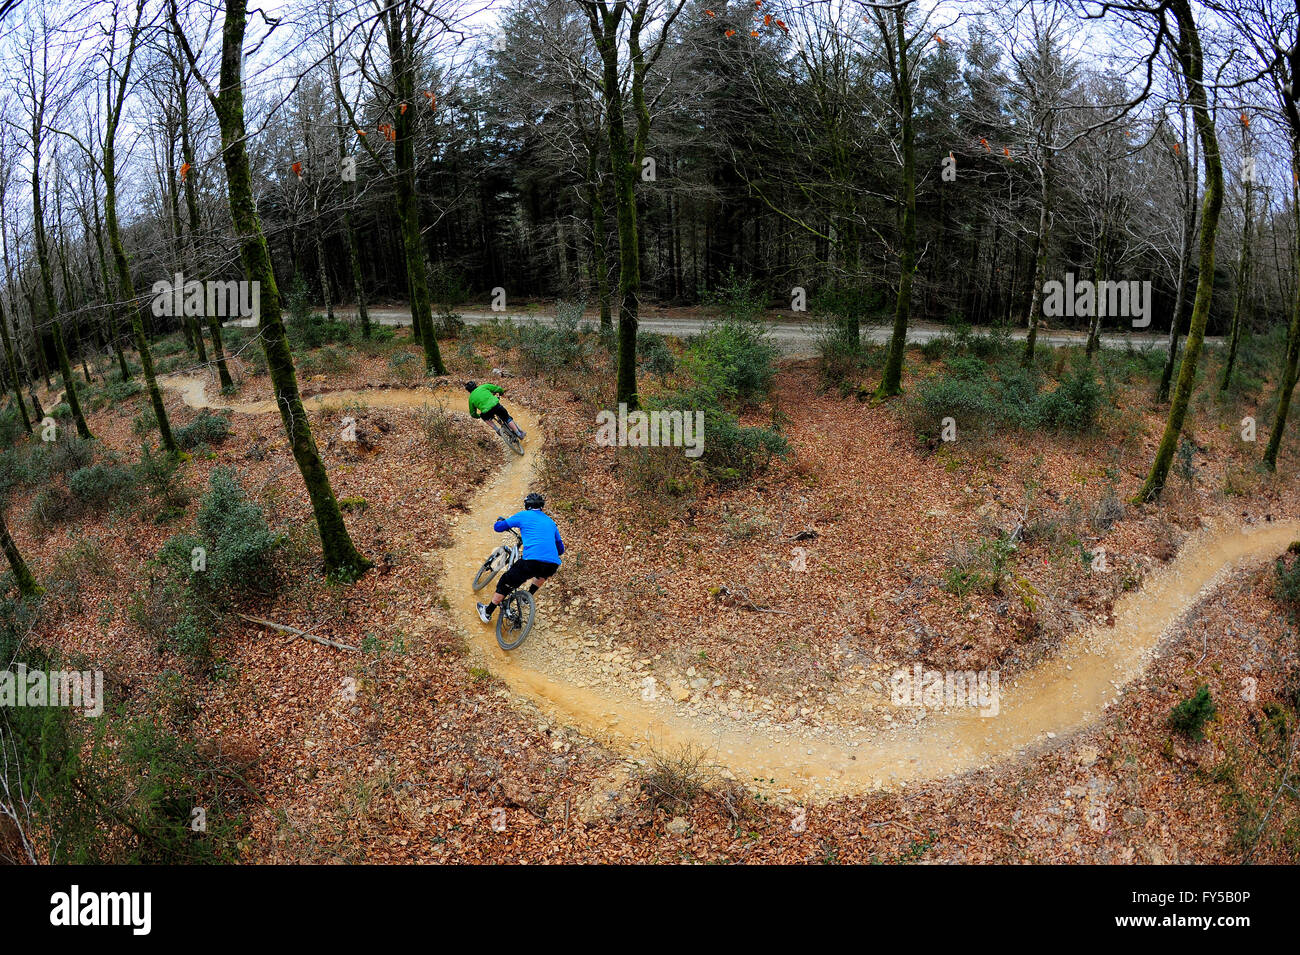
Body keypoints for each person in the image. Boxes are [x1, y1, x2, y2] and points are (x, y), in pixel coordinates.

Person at [477, 493, 563, 624]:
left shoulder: (524, 515)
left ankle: (487, 612)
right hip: (552, 563)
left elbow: (498, 528)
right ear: (541, 507)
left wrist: (500, 522)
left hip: (532, 561)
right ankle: (525, 598)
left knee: (506, 581)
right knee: (542, 574)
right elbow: (561, 549)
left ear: (527, 505)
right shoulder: (551, 523)